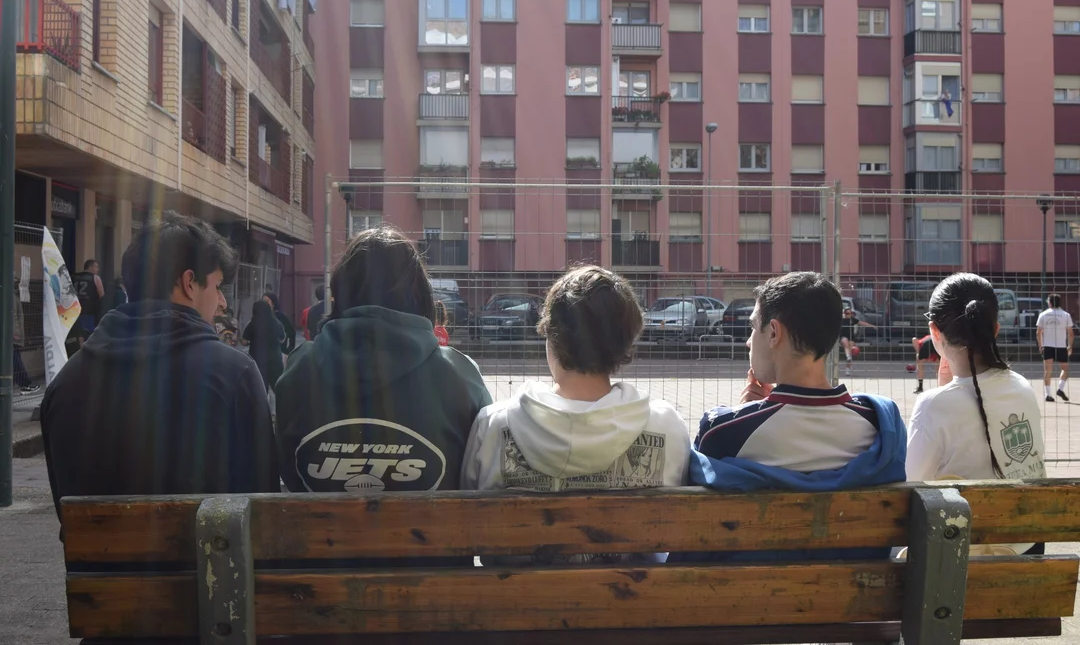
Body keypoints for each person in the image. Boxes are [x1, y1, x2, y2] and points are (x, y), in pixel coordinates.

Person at [40, 212, 279, 528]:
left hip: (98, 559)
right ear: (189, 283)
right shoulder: (236, 375)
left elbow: (66, 513)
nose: (222, 302)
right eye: (217, 286)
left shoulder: (65, 383)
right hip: (206, 560)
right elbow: (263, 510)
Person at [461, 267, 690, 563]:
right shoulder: (667, 426)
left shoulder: (493, 424)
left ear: (552, 337)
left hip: (515, 592)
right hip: (632, 592)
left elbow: (467, 525)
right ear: (626, 343)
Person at [679, 272, 906, 561]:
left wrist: (745, 414)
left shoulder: (723, 431)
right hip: (856, 586)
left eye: (753, 328)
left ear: (774, 333)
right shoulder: (881, 426)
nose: (748, 342)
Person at [275, 225, 491, 495]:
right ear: (420, 293)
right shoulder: (460, 375)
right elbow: (484, 470)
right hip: (438, 523)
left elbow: (287, 466)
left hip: (314, 523)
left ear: (341, 291)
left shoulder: (300, 368)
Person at [907, 273, 1046, 554]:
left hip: (967, 561)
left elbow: (912, 486)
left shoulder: (933, 406)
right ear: (995, 329)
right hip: (1029, 547)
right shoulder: (1022, 387)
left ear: (934, 332)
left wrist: (942, 392)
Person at [1036, 294, 1074, 402]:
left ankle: (1048, 394)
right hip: (1061, 346)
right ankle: (1060, 389)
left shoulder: (1043, 314)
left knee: (1048, 371)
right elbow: (1071, 333)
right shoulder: (1066, 315)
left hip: (1047, 345)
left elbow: (1038, 332)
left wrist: (1040, 345)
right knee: (1065, 369)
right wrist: (1070, 346)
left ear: (1050, 302)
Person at [241, 300, 285, 392]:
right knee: (278, 387)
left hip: (258, 359)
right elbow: (282, 340)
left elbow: (244, 341)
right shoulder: (276, 322)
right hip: (275, 359)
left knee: (261, 388)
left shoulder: (252, 323)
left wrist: (250, 342)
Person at [11, 275, 39, 394]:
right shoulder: (9, 294)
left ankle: (16, 384)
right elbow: (12, 315)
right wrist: (15, 332)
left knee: (14, 360)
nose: (16, 280)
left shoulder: (11, 293)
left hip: (11, 334)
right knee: (14, 360)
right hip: (11, 335)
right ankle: (25, 384)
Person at [71, 259, 104, 347]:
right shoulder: (95, 278)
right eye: (96, 267)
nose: (98, 270)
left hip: (74, 311)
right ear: (90, 267)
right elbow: (101, 295)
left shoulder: (73, 277)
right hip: (89, 311)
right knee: (88, 335)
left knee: (77, 335)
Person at [839, 307, 876, 377]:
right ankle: (848, 357)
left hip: (851, 337)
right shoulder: (841, 320)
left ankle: (848, 368)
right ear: (844, 313)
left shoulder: (852, 319)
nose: (849, 315)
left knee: (850, 349)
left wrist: (872, 326)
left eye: (850, 313)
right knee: (846, 343)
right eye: (847, 313)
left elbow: (862, 323)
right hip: (843, 336)